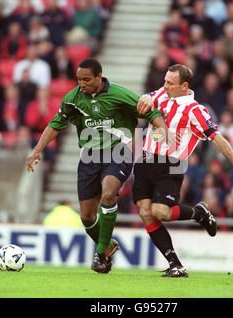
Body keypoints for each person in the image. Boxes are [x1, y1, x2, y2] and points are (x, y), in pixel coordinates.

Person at [26, 58, 168, 274]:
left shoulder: (119, 94)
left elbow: (150, 112)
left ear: (99, 77)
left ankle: (100, 254)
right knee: (86, 217)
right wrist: (37, 150)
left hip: (118, 151)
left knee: (109, 193)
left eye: (86, 79)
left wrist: (163, 132)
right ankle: (108, 245)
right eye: (78, 79)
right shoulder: (73, 99)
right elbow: (56, 124)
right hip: (89, 156)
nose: (81, 84)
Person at [135, 64, 233, 277]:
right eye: (164, 81)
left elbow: (216, 137)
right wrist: (145, 97)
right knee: (145, 213)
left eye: (170, 83)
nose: (165, 86)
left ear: (184, 86)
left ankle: (198, 212)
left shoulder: (195, 110)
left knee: (160, 211)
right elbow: (148, 97)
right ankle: (175, 264)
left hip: (170, 164)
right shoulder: (162, 93)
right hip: (145, 160)